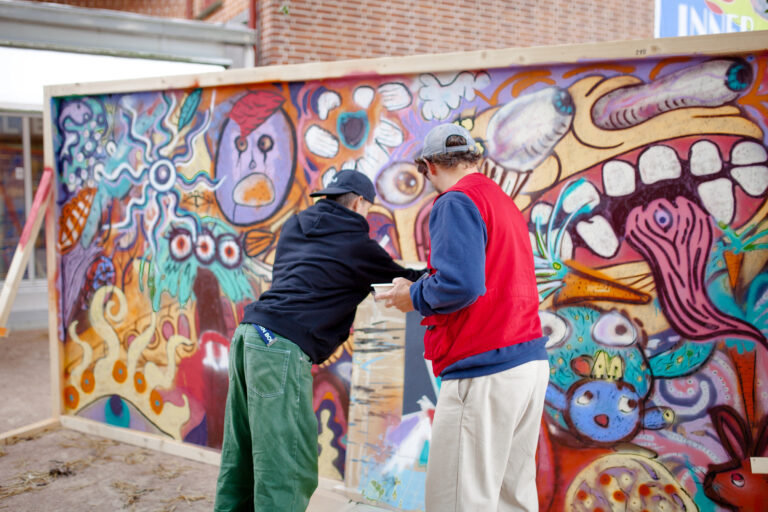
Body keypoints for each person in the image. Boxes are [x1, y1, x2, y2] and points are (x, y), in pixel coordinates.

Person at [214, 170, 424, 511]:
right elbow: (406, 279)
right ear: (358, 203)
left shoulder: (294, 227)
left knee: (242, 454)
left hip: (249, 335)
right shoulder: (358, 246)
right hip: (279, 347)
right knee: (288, 464)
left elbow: (296, 281)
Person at [377, 123, 549, 511]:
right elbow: (486, 277)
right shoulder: (501, 201)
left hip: (483, 367)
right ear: (475, 158)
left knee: (458, 500)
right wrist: (424, 283)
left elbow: (461, 285)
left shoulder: (455, 202)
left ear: (428, 166)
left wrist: (414, 295)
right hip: (526, 362)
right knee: (512, 498)